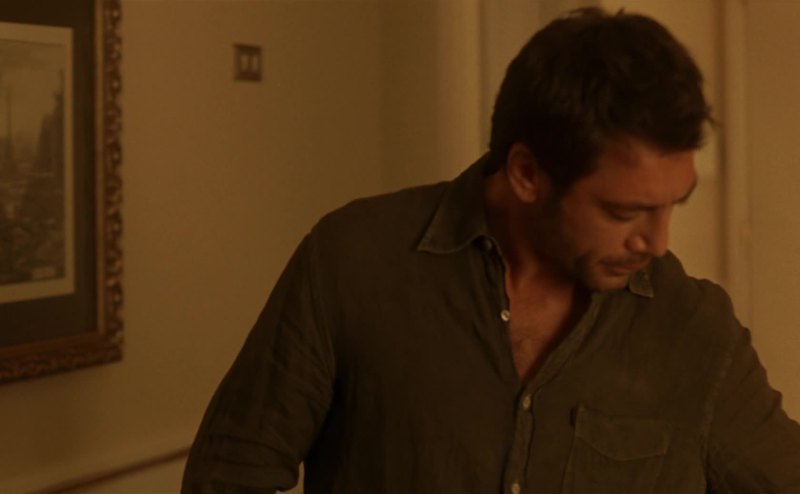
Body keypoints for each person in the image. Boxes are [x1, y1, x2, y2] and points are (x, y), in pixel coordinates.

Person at [183, 8, 800, 493]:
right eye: (622, 212)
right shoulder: (353, 262)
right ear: (527, 174)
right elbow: (228, 476)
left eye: (672, 205)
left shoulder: (695, 330)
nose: (657, 243)